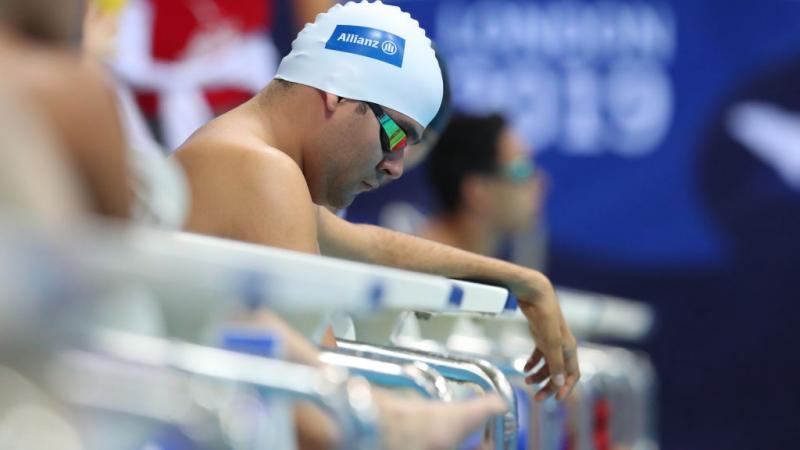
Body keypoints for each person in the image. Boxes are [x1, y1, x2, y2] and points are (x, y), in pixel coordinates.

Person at [173, 0, 579, 404]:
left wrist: (524, 283)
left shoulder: (252, 159)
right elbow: (325, 409)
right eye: (397, 136)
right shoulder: (259, 169)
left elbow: (367, 246)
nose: (396, 168)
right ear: (337, 94)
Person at [421, 113, 546, 260]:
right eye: (521, 170)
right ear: (477, 191)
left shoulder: (479, 270)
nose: (540, 181)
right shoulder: (414, 267)